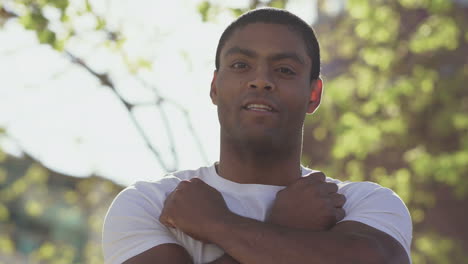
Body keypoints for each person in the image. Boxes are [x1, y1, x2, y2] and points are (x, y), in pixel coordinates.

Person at [102, 7, 412, 264]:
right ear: (214, 87)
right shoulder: (149, 204)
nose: (261, 80)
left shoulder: (362, 204)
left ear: (313, 94)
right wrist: (283, 227)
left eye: (285, 70)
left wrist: (219, 225)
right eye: (240, 65)